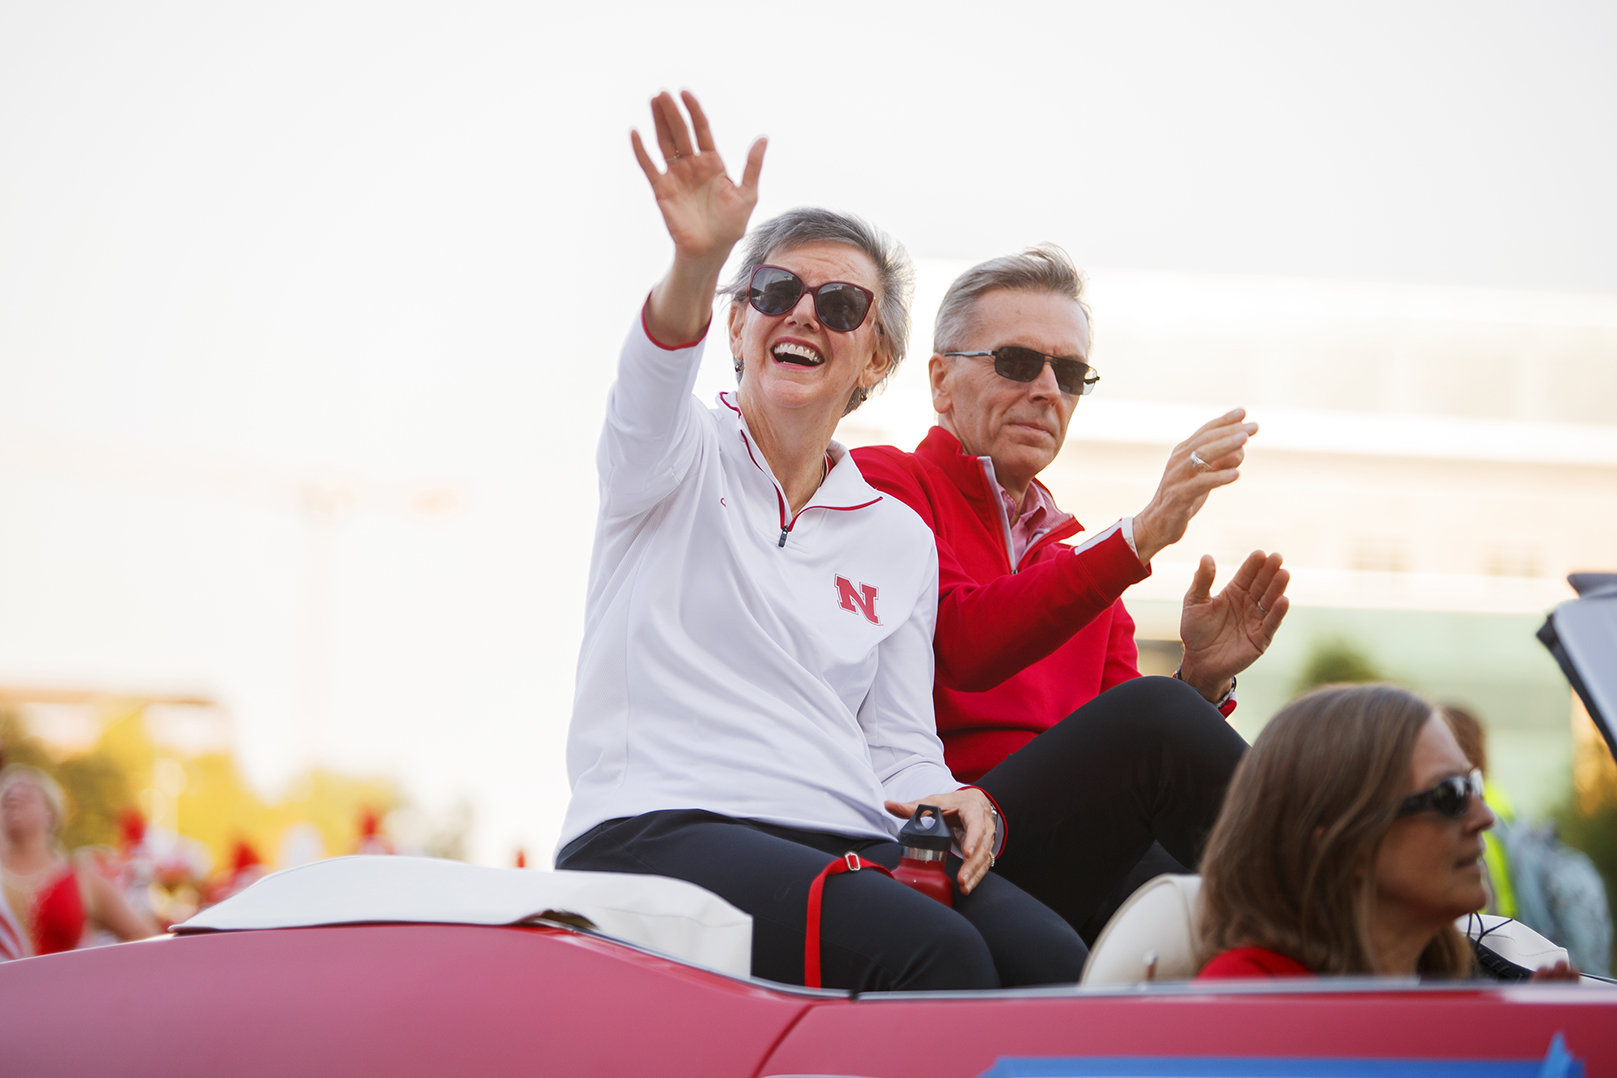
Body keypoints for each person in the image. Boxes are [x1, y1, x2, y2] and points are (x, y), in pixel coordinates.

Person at [554, 92, 1085, 992]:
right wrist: (697, 260)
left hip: (845, 833)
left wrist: (949, 796)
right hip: (657, 821)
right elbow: (653, 366)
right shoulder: (670, 455)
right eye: (772, 291)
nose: (801, 314)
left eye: (839, 304)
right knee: (938, 955)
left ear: (873, 359)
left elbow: (898, 746)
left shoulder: (897, 536)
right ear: (736, 322)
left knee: (1055, 961)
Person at [851, 246, 1290, 937]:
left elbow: (1122, 766)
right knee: (1155, 717)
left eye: (1070, 373)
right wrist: (1137, 539)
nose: (1047, 391)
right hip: (939, 834)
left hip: (1063, 848)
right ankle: (1372, 900)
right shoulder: (882, 485)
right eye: (1017, 363)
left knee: (1219, 905)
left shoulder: (1084, 559)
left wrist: (1201, 681)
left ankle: (1414, 953)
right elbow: (962, 640)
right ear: (940, 381)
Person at [1196, 683, 1575, 979]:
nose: (1485, 817)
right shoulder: (1242, 1006)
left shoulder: (1452, 984)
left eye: (1472, 785)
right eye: (1450, 795)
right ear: (1344, 844)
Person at [0, 765, 157, 955]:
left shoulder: (82, 879)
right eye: (7, 799)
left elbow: (143, 936)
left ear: (51, 812)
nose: (15, 799)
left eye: (27, 795)